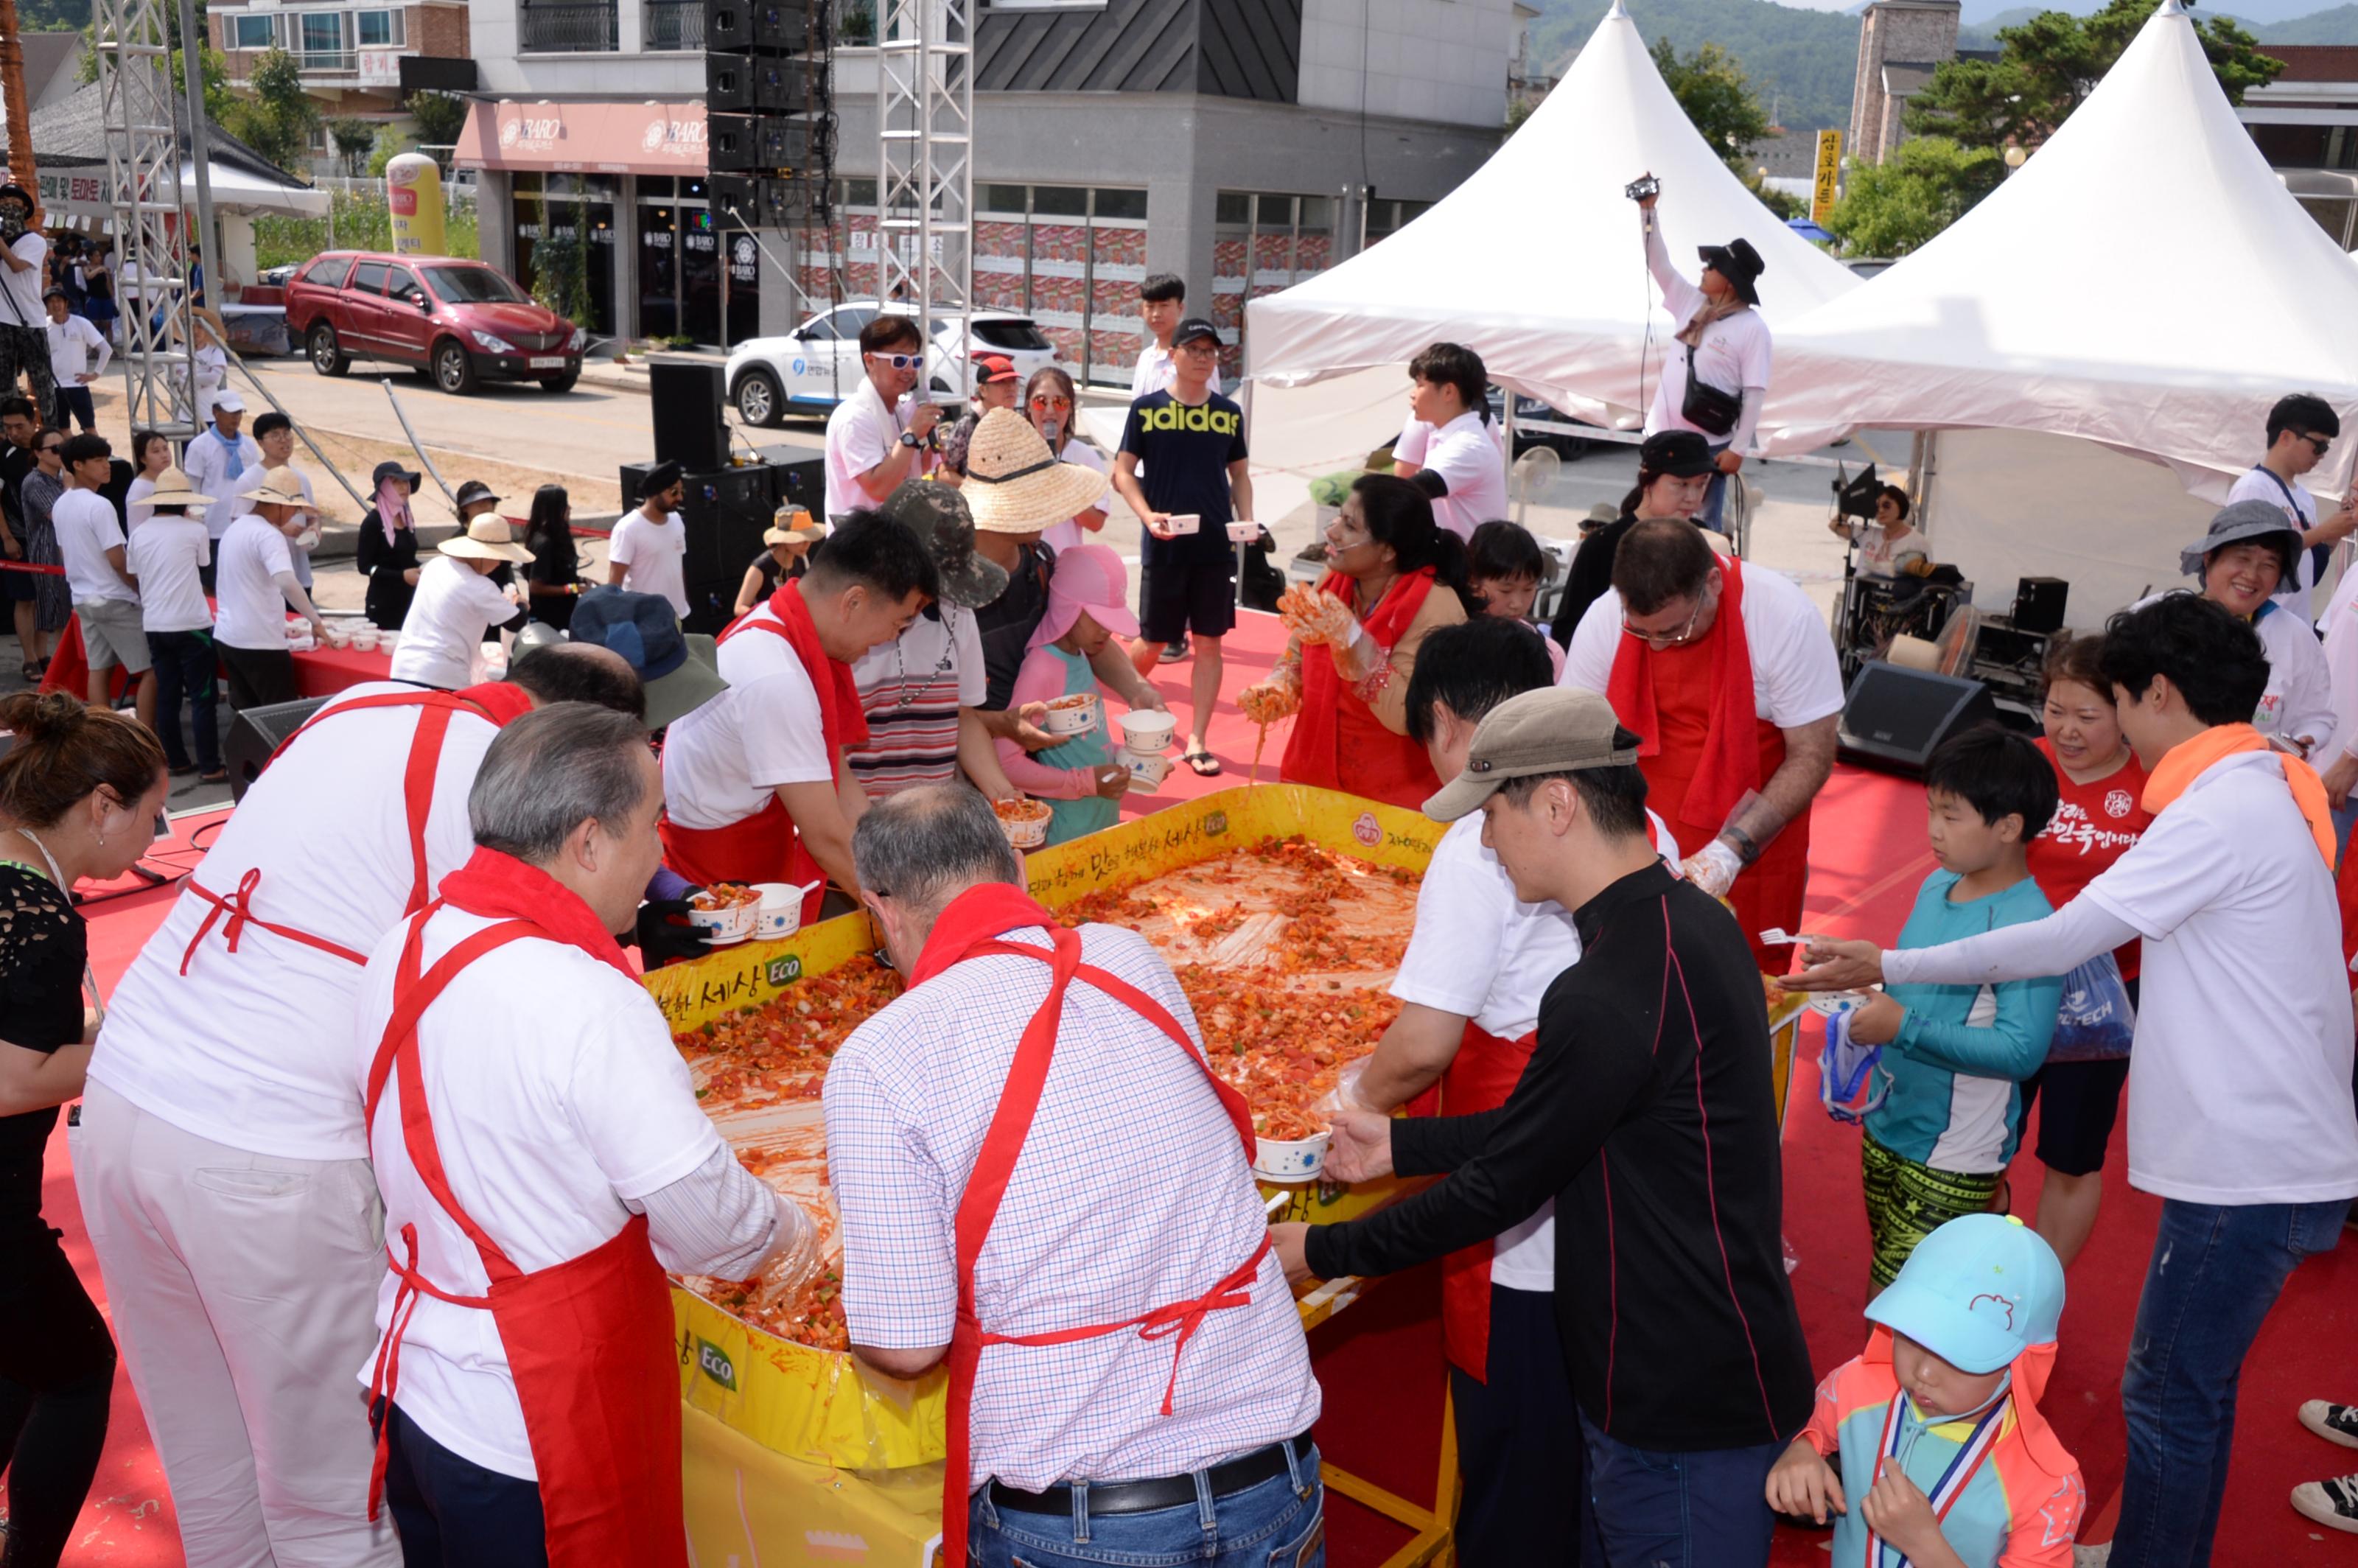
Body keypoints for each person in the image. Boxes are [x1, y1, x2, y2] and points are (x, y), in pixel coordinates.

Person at [1791, 593, 2358, 1568]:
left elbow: (2063, 938)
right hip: (2276, 1145)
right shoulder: (2261, 786)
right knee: (2192, 1388)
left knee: (2170, 1392)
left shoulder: (2219, 810)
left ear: (2161, 694)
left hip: (2246, 1159)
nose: (2113, 725)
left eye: (2120, 700)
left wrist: (1884, 962)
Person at [76, 644, 660, 1567]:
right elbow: (501, 1009)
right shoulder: (489, 775)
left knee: (209, 1458)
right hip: (268, 1153)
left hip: (124, 1102)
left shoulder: (370, 706)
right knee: (336, 1494)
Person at [1277, 685, 1813, 1567]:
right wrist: (1405, 1144)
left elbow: (1504, 1184)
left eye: (1492, 814)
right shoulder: (1683, 924)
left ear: (1556, 802)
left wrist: (1324, 1250)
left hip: (1678, 1392)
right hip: (1684, 1357)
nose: (1484, 840)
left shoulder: (1609, 986)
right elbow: (1556, 1125)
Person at [356, 703, 809, 1562]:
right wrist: (790, 1233)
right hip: (531, 1415)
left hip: (416, 1380)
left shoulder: (406, 940)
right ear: (590, 841)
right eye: (652, 828)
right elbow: (706, 1219)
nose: (659, 857)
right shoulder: (583, 994)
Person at [825, 784, 1321, 1568]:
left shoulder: (881, 1057)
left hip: (1085, 1520)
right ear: (1017, 868)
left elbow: (906, 1344)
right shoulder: (1130, 956)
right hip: (1271, 1473)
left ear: (877, 909)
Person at [1343, 617, 1673, 1565]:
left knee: (1517, 1472)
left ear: (1445, 721)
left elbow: (1424, 1043)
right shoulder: (1646, 832)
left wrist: (1352, 1105)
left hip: (1523, 1224)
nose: (1479, 826)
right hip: (1624, 1223)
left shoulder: (1477, 848)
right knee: (1595, 1462)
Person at [0, 693, 167, 1568]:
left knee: (20, 1365)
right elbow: (15, 1077)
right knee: (74, 1371)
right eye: (149, 815)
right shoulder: (37, 912)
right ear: (101, 804)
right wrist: (141, 1047)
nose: (150, 840)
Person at [1561, 517, 1844, 970]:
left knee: (1734, 987)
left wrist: (1729, 853)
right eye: (1642, 632)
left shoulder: (1783, 616)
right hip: (1632, 839)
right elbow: (1573, 736)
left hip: (1750, 845)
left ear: (1712, 582)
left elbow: (1811, 755)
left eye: (1673, 630)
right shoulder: (1606, 617)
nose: (1656, 647)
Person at [1837, 726, 2060, 1290]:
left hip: (1955, 1151)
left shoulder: (2030, 926)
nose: (1934, 830)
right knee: (1890, 1277)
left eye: (1952, 816)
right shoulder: (1937, 886)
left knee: (1902, 1305)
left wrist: (1902, 1026)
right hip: (1889, 1120)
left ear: (2009, 827)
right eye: (1931, 810)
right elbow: (1911, 984)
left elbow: (2022, 1050)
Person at [660, 511, 939, 925]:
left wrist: (901, 869)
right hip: (716, 889)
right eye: (899, 623)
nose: (890, 639)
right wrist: (911, 921)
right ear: (854, 602)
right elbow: (827, 836)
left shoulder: (780, 625)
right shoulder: (776, 674)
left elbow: (838, 781)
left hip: (748, 859)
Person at [1766, 1214, 2082, 1568]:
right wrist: (1802, 1451)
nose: (1924, 1372)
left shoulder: (2047, 1486)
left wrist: (1927, 1548)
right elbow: (1808, 1429)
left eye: (1960, 1356)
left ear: (2019, 1366)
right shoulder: (1854, 1387)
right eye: (1912, 1337)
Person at [2020, 637, 2150, 1269]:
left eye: (2088, 716)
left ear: (2125, 710)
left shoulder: (2155, 785)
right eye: (2055, 710)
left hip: (2103, 1000)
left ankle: (2038, 1292)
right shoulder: (2019, 767)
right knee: (1983, 1140)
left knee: (2072, 1155)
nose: (2067, 730)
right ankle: (1975, 1277)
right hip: (2008, 983)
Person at [1238, 474, 1472, 811]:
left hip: (1392, 801)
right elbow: (1297, 653)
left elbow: (1409, 717)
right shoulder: (1334, 578)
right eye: (1338, 517)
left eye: (1349, 525)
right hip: (1313, 778)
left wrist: (1352, 640)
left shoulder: (1435, 605)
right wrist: (1280, 686)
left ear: (1388, 551)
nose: (1332, 531)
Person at [964, 409, 1167, 739]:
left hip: (1039, 753)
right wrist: (1005, 726)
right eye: (1039, 494)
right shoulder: (951, 590)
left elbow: (1085, 637)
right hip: (977, 763)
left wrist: (1136, 688)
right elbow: (944, 715)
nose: (1050, 506)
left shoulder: (1040, 563)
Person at [1114, 316, 1253, 775]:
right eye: (1192, 349)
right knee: (1153, 641)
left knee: (1209, 643)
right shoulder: (1146, 409)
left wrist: (1246, 519)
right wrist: (1147, 514)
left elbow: (1240, 476)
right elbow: (1122, 472)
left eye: (1210, 351)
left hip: (1216, 546)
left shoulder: (1228, 413)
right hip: (1165, 543)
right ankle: (1115, 707)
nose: (1202, 358)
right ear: (1172, 355)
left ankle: (1197, 740)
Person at [847, 482, 1015, 801]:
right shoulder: (846, 627)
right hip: (855, 816)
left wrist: (1002, 793)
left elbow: (963, 716)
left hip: (931, 817)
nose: (933, 598)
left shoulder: (958, 614)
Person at [1633, 179, 1769, 533]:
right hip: (1661, 435)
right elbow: (1657, 263)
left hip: (1709, 446)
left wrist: (1739, 449)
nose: (1704, 269)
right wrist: (1648, 211)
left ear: (1729, 281)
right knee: (1648, 521)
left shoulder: (1752, 328)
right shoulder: (1691, 302)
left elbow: (1755, 392)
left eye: (1712, 267)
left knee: (1697, 531)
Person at [2158, 500, 2334, 759]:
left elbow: (2316, 717)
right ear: (2209, 558)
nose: (2252, 575)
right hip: (2158, 781)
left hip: (2247, 782)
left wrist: (2305, 742)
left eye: (2269, 564)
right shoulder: (2159, 618)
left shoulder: (2295, 637)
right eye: (2242, 558)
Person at [994, 542, 1136, 842]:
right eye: (1097, 619)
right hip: (1067, 834)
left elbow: (1086, 746)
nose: (1107, 631)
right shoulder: (1042, 669)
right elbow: (1006, 762)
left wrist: (1133, 763)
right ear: (1066, 607)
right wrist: (1086, 783)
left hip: (1101, 822)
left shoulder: (1080, 654)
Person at [1550, 430, 1715, 646]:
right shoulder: (1603, 544)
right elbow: (1568, 630)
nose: (1693, 498)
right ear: (1648, 480)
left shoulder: (1705, 538)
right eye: (1681, 484)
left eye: (1701, 484)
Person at [126, 470, 224, 782]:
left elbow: (134, 571)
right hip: (192, 623)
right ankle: (210, 765)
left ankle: (176, 760)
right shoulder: (194, 530)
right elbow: (204, 565)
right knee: (202, 696)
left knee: (167, 694)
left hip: (155, 623)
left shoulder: (140, 532)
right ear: (186, 502)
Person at [54, 433, 157, 729]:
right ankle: (147, 735)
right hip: (113, 597)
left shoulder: (63, 504)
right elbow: (117, 559)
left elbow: (65, 553)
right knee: (151, 669)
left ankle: (103, 735)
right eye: (98, 461)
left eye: (106, 459)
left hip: (83, 598)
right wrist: (138, 588)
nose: (106, 466)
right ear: (78, 465)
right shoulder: (99, 505)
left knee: (99, 668)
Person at [2225, 391, 2356, 609]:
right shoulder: (2254, 487)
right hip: (2259, 620)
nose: (2322, 455)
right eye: (2319, 446)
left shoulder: (2304, 497)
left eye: (2326, 448)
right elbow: (2251, 555)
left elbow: (2306, 564)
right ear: (2286, 437)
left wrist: (2333, 536)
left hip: (2292, 619)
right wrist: (2324, 531)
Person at [214, 467, 329, 710]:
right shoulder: (268, 535)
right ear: (282, 505)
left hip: (228, 637)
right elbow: (287, 581)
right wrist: (315, 620)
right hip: (260, 643)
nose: (294, 516)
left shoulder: (235, 529)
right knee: (277, 718)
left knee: (248, 718)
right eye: (295, 510)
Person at [824, 313, 942, 526]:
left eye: (915, 360)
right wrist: (911, 435)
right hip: (859, 549)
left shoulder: (897, 411)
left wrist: (928, 457)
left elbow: (901, 473)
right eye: (899, 360)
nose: (909, 369)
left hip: (893, 542)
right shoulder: (854, 417)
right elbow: (879, 487)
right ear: (870, 361)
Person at [392, 517, 533, 691]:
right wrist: (520, 604)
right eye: (496, 557)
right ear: (480, 554)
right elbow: (516, 621)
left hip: (404, 666)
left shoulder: (435, 564)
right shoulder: (479, 586)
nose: (498, 564)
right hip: (442, 676)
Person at [1388, 342, 1508, 543]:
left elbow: (1409, 493)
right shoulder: (1449, 436)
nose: (1413, 393)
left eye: (1420, 385)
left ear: (1449, 392)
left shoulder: (1469, 446)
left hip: (1469, 568)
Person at [230, 411, 319, 599]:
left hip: (298, 572)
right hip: (265, 578)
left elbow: (312, 514)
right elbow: (238, 526)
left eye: (287, 433)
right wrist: (279, 526)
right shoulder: (248, 480)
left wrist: (315, 527)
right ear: (261, 443)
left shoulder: (301, 478)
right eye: (275, 435)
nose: (283, 440)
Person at [1024, 365, 1108, 553]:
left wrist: (1064, 488)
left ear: (1070, 408)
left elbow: (1096, 523)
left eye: (1060, 402)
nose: (1050, 410)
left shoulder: (1085, 456)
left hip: (1066, 565)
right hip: (1024, 568)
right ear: (1028, 406)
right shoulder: (1013, 455)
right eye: (1040, 401)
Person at [1466, 519, 1564, 678]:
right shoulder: (1449, 645)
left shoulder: (1550, 654)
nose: (1517, 604)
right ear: (1472, 582)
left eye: (1528, 589)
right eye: (1506, 590)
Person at [178, 389, 258, 556]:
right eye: (230, 413)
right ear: (215, 412)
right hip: (214, 525)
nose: (236, 418)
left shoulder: (248, 445)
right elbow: (193, 486)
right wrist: (197, 520)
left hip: (245, 522)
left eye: (239, 412)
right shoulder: (200, 445)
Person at [0, 186, 56, 416]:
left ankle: (52, 431)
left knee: (41, 381)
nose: (7, 204)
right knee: (4, 385)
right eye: (3, 201)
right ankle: (6, 435)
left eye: (14, 201)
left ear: (24, 209)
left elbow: (16, 266)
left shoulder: (34, 241)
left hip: (30, 321)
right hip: (2, 320)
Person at [609, 461, 690, 618]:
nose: (680, 497)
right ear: (656, 493)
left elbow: (677, 568)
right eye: (674, 492)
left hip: (677, 617)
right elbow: (614, 585)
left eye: (681, 491)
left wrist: (684, 602)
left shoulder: (676, 520)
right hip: (645, 620)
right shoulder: (628, 529)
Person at [18, 425, 70, 659]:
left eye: (65, 448)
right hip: (47, 551)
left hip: (64, 549)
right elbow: (60, 513)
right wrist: (71, 485)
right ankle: (52, 662)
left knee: (61, 611)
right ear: (38, 453)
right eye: (56, 449)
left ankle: (49, 660)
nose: (62, 454)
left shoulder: (58, 478)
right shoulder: (35, 481)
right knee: (56, 611)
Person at [0, 397, 43, 678]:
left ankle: (44, 654)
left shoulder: (48, 448)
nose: (14, 433)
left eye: (19, 426)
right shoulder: (3, 454)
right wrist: (6, 537)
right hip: (17, 540)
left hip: (47, 540)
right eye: (7, 427)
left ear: (33, 421)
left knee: (45, 599)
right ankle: (30, 660)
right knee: (25, 599)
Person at [1132, 271, 1220, 399]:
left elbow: (1213, 404)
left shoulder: (1197, 358)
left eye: (1164, 306)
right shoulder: (1145, 357)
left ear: (1180, 308)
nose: (1156, 314)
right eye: (1150, 307)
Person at [935, 351, 1021, 481]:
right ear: (983, 390)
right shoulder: (968, 424)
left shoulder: (1018, 422)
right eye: (1001, 382)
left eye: (1013, 381)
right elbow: (944, 474)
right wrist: (977, 491)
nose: (1010, 388)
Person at [358, 461, 424, 629]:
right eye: (395, 483)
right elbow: (365, 567)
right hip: (383, 604)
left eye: (404, 482)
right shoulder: (372, 523)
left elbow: (405, 558)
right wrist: (401, 576)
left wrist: (422, 569)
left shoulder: (406, 518)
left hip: (409, 600)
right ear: (384, 488)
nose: (403, 487)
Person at [522, 483, 590, 632]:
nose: (570, 508)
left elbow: (558, 574)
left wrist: (581, 580)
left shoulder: (560, 535)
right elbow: (536, 587)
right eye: (565, 504)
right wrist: (574, 588)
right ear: (554, 509)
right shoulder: (544, 543)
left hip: (566, 614)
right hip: (550, 622)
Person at [1828, 481, 1930, 580]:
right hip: (1858, 593)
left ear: (1901, 506)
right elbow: (1834, 526)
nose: (1881, 510)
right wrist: (1854, 503)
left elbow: (1928, 575)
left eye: (1887, 505)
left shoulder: (1918, 541)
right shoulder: (1866, 533)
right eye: (1877, 507)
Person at [733, 508, 821, 620]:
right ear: (784, 538)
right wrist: (771, 619)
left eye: (809, 538)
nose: (806, 544)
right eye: (800, 539)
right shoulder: (760, 567)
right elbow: (740, 608)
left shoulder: (801, 560)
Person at [41, 288, 106, 435]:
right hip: (55, 386)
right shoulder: (43, 326)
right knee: (62, 429)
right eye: (51, 301)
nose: (55, 305)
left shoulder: (81, 323)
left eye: (58, 301)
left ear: (66, 303)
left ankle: (94, 455)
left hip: (78, 385)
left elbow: (105, 349)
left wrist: (96, 374)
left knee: (89, 428)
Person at [122, 427, 170, 531]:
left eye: (166, 449)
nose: (164, 455)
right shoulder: (141, 490)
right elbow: (137, 529)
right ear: (143, 459)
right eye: (156, 451)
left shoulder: (166, 479)